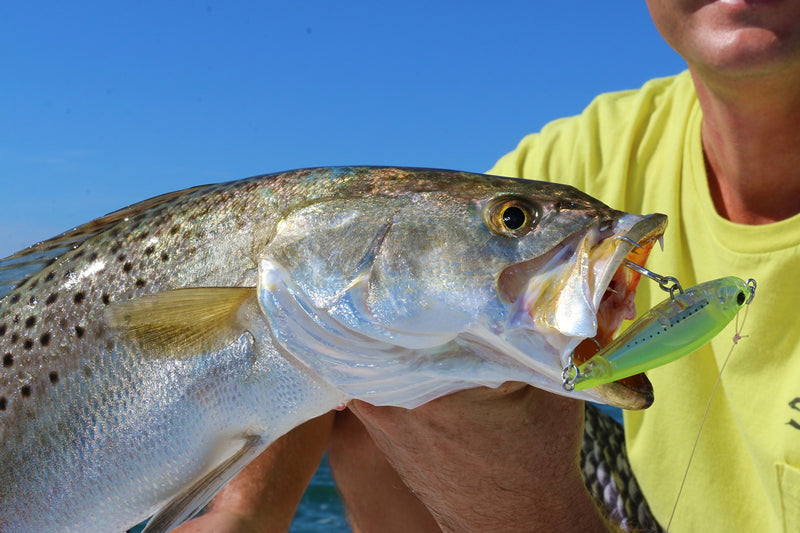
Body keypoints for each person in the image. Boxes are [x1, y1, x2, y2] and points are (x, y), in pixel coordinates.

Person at [177, 1, 800, 531]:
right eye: (513, 221)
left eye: (513, 219)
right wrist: (245, 514)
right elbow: (329, 288)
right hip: (642, 503)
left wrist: (525, 506)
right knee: (386, 361)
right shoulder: (589, 153)